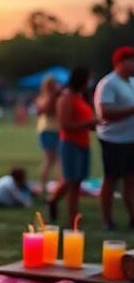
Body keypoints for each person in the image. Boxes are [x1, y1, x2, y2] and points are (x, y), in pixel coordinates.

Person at [48, 66, 98, 224]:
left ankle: (56, 203)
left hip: (83, 142)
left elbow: (84, 120)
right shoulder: (67, 96)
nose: (90, 82)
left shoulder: (80, 96)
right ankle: (72, 218)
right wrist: (89, 123)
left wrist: (94, 124)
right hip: (70, 143)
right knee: (71, 182)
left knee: (77, 181)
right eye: (88, 79)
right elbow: (65, 124)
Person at [93, 46, 134, 230]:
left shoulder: (131, 82)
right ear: (120, 62)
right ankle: (106, 219)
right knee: (111, 179)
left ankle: (132, 216)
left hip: (130, 138)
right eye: (130, 60)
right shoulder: (109, 83)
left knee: (130, 180)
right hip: (114, 140)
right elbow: (105, 112)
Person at [35, 74, 61, 200]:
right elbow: (47, 110)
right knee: (51, 160)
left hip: (51, 130)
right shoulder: (49, 97)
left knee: (53, 160)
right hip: (50, 130)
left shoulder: (44, 97)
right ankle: (46, 187)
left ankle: (51, 186)